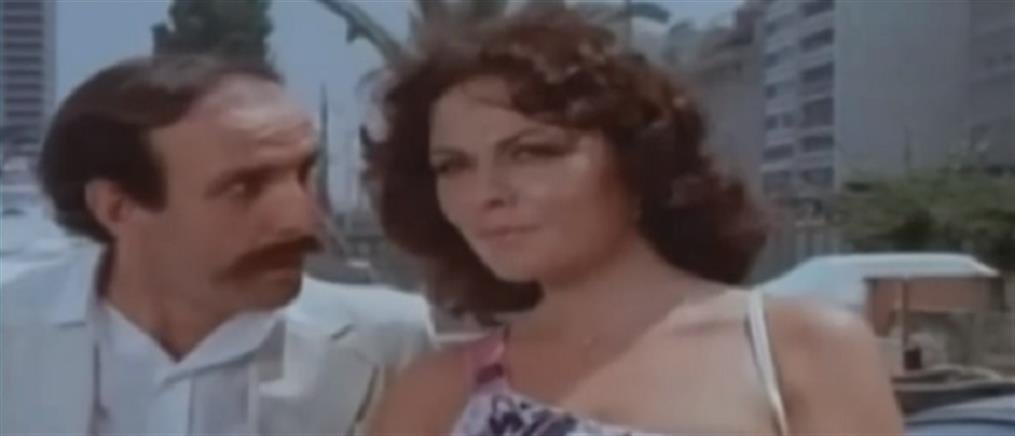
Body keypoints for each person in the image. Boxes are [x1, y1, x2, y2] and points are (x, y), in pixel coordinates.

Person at [365, 6, 903, 435]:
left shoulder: (799, 351)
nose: (487, 193)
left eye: (532, 152)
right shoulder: (435, 395)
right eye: (453, 166)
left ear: (636, 159)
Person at [0, 55, 432, 436]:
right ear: (117, 208)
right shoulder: (13, 338)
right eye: (244, 187)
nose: (301, 219)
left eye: (303, 174)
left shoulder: (392, 346)